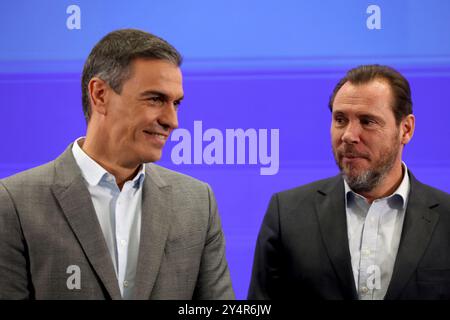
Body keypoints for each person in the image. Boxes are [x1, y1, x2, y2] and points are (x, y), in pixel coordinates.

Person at [0, 29, 234, 300]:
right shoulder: (13, 203)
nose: (172, 120)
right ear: (100, 94)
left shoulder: (197, 203)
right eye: (155, 99)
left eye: (176, 103)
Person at [248, 64, 450, 300]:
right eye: (340, 119)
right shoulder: (287, 214)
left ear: (405, 129)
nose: (349, 135)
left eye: (367, 121)